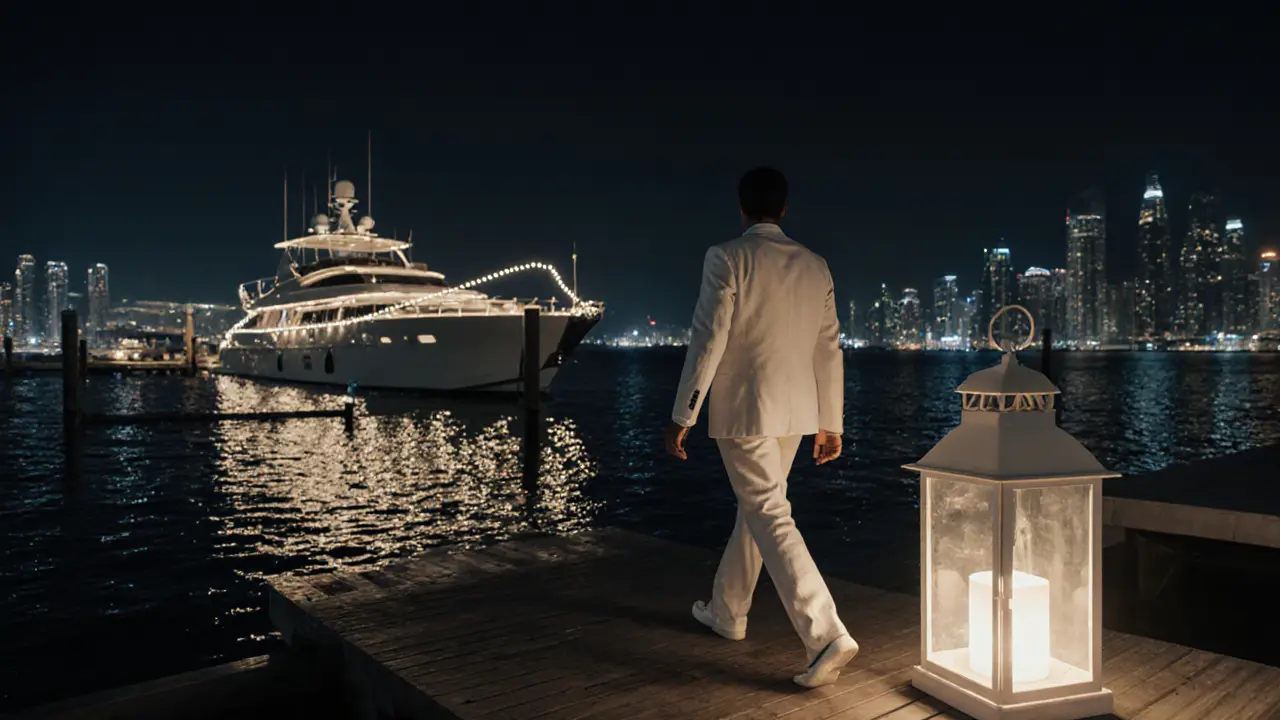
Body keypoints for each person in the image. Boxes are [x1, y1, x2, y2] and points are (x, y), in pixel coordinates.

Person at [663, 167, 856, 689]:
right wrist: (830, 422)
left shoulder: (726, 257)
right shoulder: (817, 266)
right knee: (761, 508)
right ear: (785, 209)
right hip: (796, 412)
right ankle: (727, 609)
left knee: (768, 509)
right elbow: (829, 348)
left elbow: (709, 337)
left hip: (746, 409)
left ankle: (825, 634)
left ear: (741, 207)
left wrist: (684, 413)